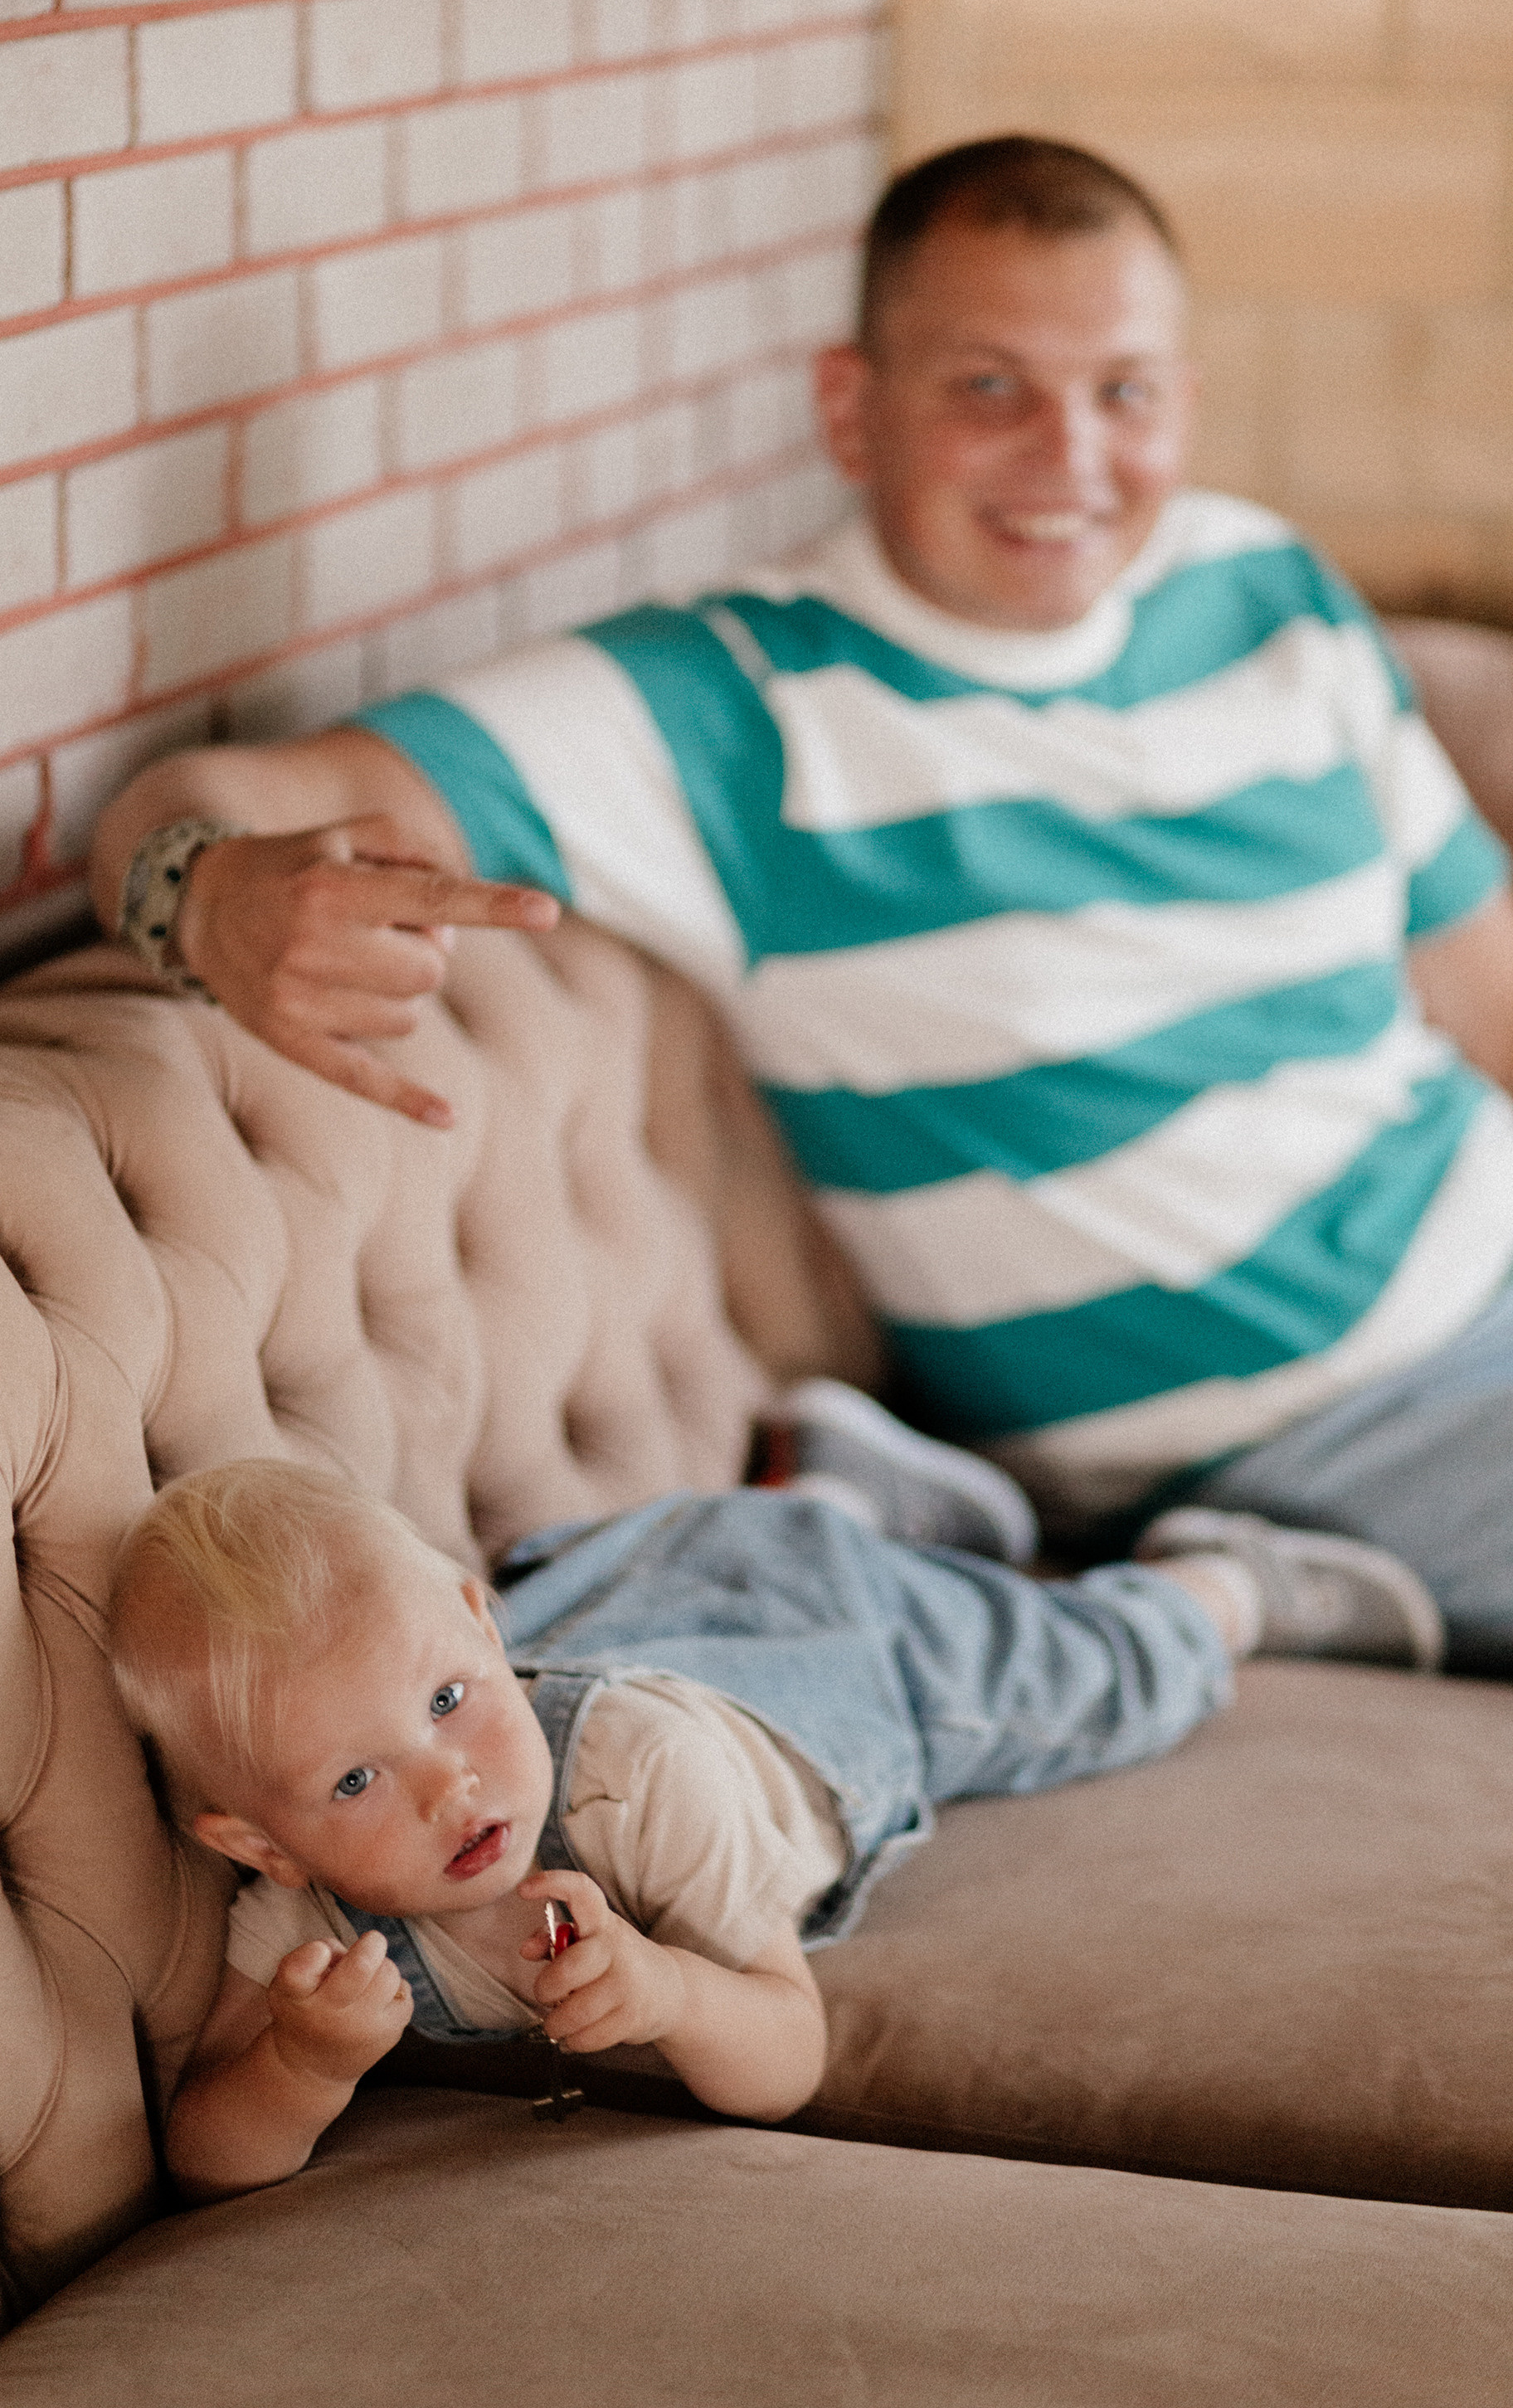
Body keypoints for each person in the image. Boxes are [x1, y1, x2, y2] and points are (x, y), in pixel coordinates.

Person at [90, 136, 1513, 1671]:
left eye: (1125, 391)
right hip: (1309, 1438)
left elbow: (1484, 988)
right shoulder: (729, 708)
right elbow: (197, 806)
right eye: (989, 386)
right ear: (852, 408)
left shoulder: (1268, 590)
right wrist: (208, 893)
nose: (1071, 457)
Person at [109, 1455, 1433, 2201]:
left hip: (820, 1675)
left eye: (453, 1698)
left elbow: (784, 2052)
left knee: (1082, 1681)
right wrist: (305, 2065)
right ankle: (861, 1497)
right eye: (352, 1786)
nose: (448, 1787)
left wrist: (672, 1991)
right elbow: (210, 2149)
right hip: (671, 1586)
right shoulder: (312, 1928)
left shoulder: (639, 1778)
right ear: (259, 1845)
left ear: (476, 1625)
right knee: (779, 1550)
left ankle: (1226, 1584)